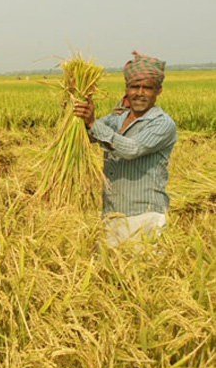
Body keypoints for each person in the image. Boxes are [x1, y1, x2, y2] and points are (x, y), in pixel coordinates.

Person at [73, 51, 177, 248]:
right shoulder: (116, 119)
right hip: (111, 215)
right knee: (108, 274)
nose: (140, 93)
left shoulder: (162, 124)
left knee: (143, 275)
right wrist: (75, 115)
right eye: (134, 86)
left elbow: (131, 149)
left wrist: (93, 122)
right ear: (126, 89)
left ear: (158, 91)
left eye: (147, 88)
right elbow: (86, 137)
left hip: (144, 217)